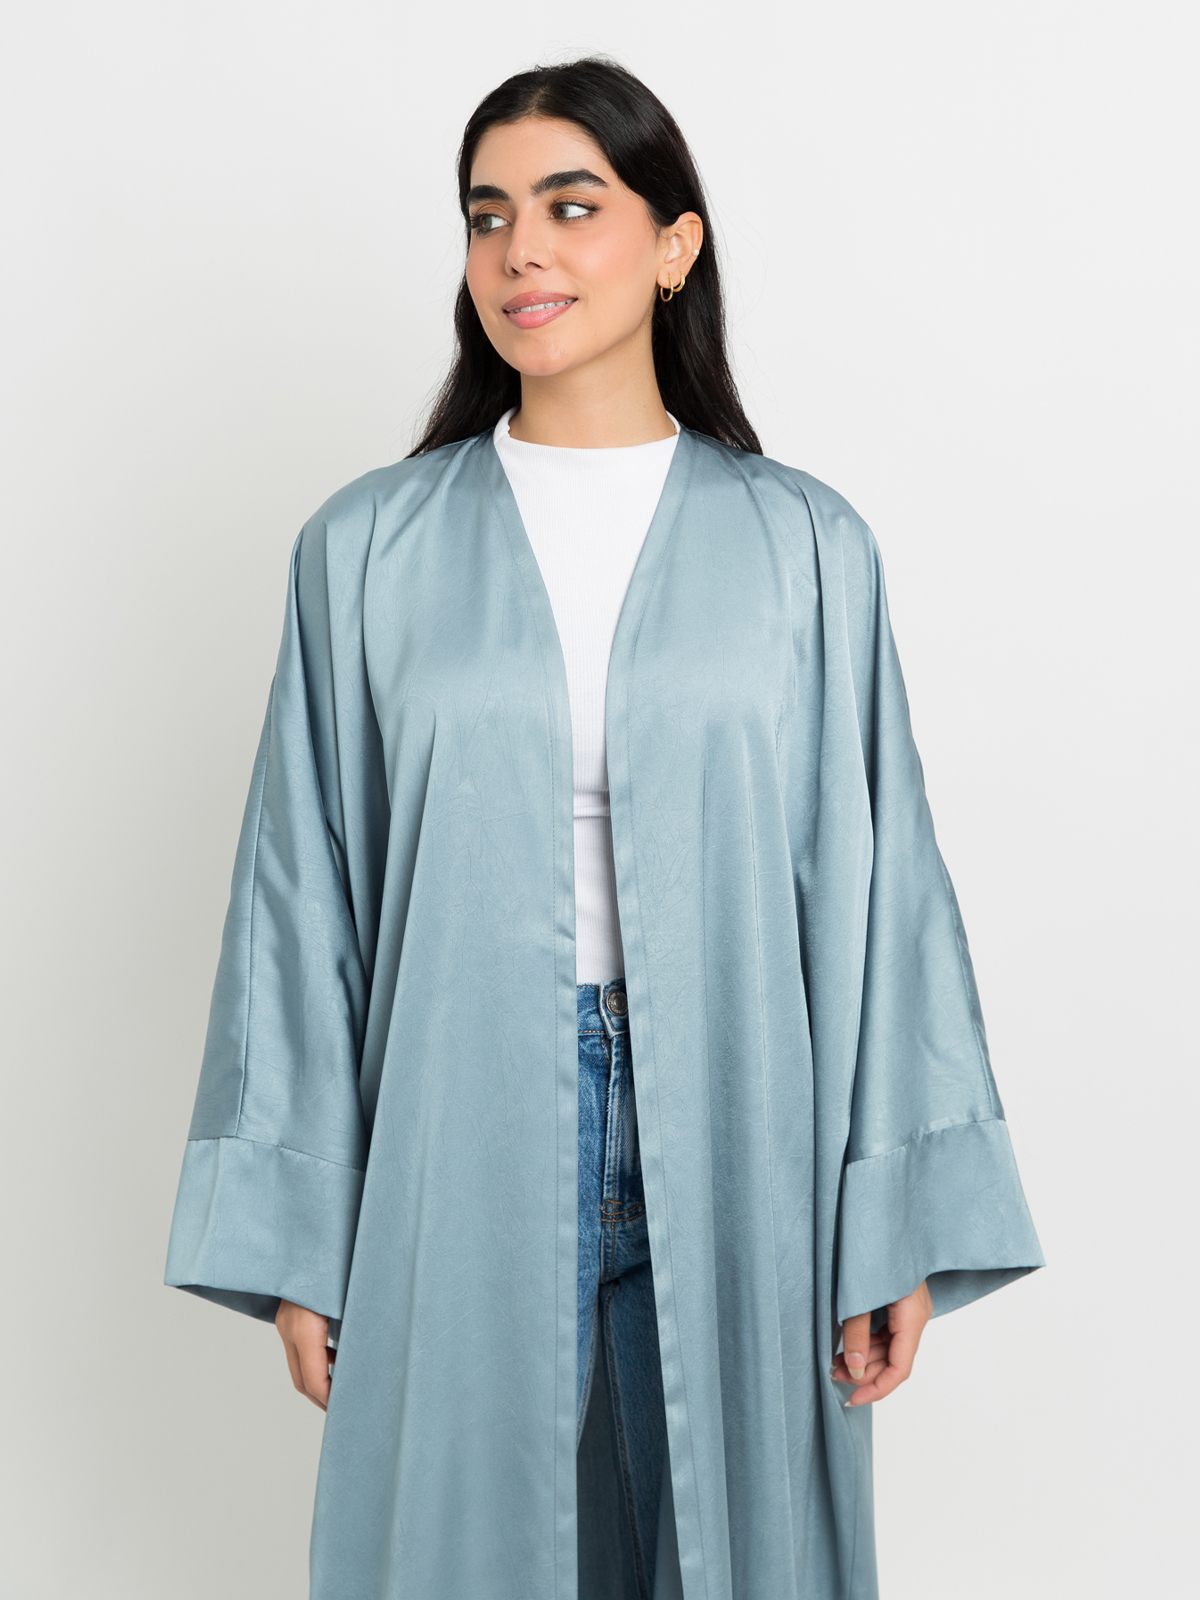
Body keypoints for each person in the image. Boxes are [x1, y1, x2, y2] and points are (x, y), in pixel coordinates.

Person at [164, 55, 1043, 1600]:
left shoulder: (805, 548)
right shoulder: (366, 549)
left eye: (573, 207)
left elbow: (884, 887)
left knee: (737, 1544)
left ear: (673, 244)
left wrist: (889, 1215)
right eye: (489, 214)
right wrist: (303, 1235)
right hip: (456, 1128)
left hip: (743, 1122)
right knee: (458, 1544)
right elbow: (300, 900)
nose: (524, 250)